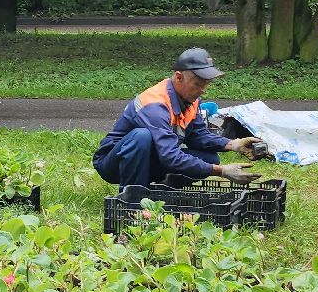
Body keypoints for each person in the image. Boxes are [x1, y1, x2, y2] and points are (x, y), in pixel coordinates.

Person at [93, 47, 265, 188]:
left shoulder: (190, 101)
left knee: (209, 159)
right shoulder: (155, 105)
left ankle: (163, 188)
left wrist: (234, 144)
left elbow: (198, 137)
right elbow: (170, 156)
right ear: (178, 77)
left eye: (206, 85)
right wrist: (222, 171)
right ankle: (132, 197)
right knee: (141, 136)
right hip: (114, 164)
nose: (203, 90)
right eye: (198, 84)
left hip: (152, 157)